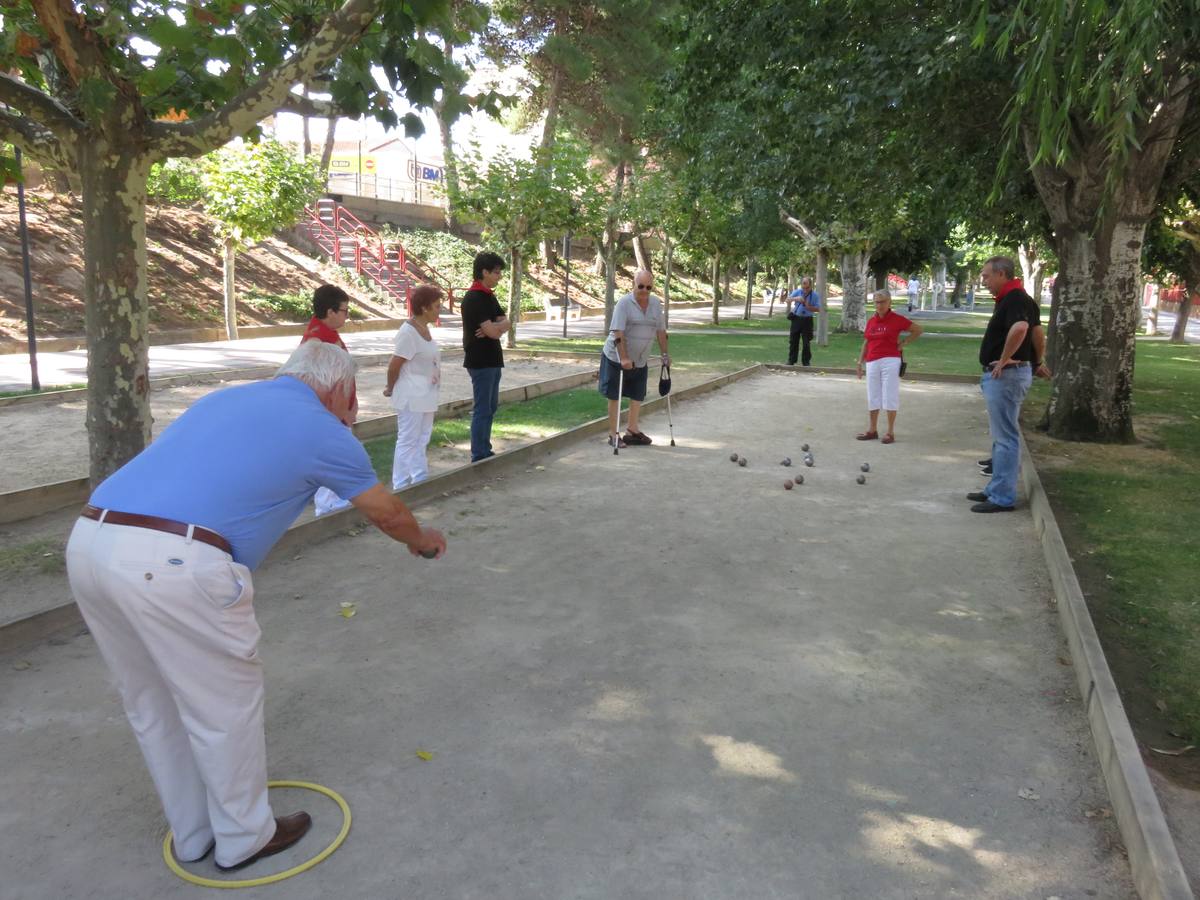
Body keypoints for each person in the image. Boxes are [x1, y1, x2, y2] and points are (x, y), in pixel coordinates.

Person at [64, 341, 446, 872]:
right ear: (339, 388)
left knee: (150, 703)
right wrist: (420, 539)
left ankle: (194, 833)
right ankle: (244, 835)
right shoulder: (322, 430)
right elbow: (386, 511)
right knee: (222, 707)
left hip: (90, 542)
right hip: (176, 562)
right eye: (350, 396)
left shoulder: (225, 399)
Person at [966, 256, 1052, 513]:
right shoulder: (1019, 299)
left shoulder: (1015, 299)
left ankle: (1002, 497)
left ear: (1002, 274)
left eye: (986, 276)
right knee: (1001, 435)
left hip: (1006, 375)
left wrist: (1003, 361)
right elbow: (1037, 332)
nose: (984, 281)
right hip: (1012, 373)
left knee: (1005, 438)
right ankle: (996, 489)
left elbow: (1022, 328)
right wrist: (1036, 362)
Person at [300, 284, 357, 516]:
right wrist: (341, 410)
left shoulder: (327, 334)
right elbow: (320, 384)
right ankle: (327, 507)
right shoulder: (317, 341)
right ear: (331, 312)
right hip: (330, 412)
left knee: (340, 457)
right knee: (330, 458)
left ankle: (336, 501)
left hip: (339, 410)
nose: (346, 315)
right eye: (345, 311)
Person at [600, 269, 670, 448]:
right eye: (641, 286)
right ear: (633, 284)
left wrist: (664, 355)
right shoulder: (624, 303)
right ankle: (613, 434)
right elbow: (618, 332)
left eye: (649, 287)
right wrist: (623, 357)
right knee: (615, 395)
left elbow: (661, 331)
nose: (645, 290)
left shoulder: (655, 304)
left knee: (638, 394)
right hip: (616, 358)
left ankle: (632, 430)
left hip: (640, 359)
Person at [384, 284, 443, 489]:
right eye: (436, 306)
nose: (439, 310)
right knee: (408, 439)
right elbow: (394, 366)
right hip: (411, 395)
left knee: (422, 438)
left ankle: (419, 477)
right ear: (425, 307)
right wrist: (390, 388)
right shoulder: (408, 332)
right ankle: (400, 484)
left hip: (427, 394)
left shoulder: (425, 329)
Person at [855, 289, 922, 443]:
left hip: (890, 360)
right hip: (872, 360)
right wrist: (860, 362)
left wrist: (903, 343)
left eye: (883, 302)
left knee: (889, 394)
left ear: (889, 302)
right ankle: (872, 430)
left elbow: (917, 330)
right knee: (873, 395)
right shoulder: (872, 321)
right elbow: (867, 342)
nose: (879, 305)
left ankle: (890, 432)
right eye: (877, 302)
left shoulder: (897, 319)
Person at [460, 252, 509, 462]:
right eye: (496, 272)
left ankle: (485, 448)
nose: (499, 276)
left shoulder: (489, 295)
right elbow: (491, 332)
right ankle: (478, 453)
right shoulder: (474, 298)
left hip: (493, 359)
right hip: (480, 360)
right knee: (482, 408)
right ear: (484, 272)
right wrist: (495, 328)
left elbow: (505, 324)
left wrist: (496, 326)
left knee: (491, 406)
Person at [786, 277, 820, 366]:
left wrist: (808, 306)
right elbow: (787, 300)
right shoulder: (797, 292)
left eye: (807, 287)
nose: (805, 289)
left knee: (806, 343)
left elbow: (818, 309)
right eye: (803, 286)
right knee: (793, 341)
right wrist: (796, 299)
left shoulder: (815, 295)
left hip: (807, 320)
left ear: (810, 286)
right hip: (796, 319)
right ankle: (791, 360)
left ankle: (806, 362)